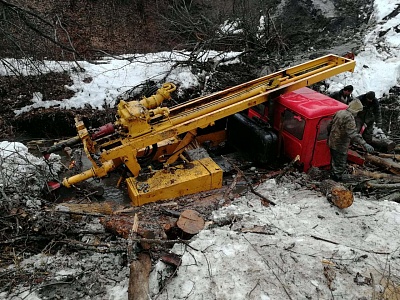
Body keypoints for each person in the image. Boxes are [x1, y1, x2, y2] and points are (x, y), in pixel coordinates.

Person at [327, 99, 374, 181]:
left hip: (332, 141)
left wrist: (330, 136)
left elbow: (329, 126)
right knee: (340, 164)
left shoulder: (339, 112)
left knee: (334, 160)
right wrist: (364, 144)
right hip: (340, 144)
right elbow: (353, 134)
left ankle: (332, 175)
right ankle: (336, 180)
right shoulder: (349, 118)